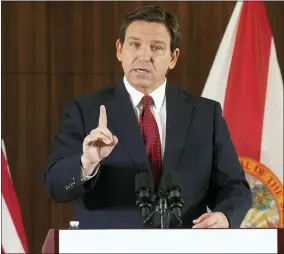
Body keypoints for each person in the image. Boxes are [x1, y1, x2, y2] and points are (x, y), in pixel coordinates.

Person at [43, 5, 252, 229]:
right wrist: (87, 163)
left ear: (173, 57)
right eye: (134, 45)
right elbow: (55, 185)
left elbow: (234, 186)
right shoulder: (84, 110)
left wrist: (225, 216)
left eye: (157, 47)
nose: (144, 56)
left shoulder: (205, 114)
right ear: (119, 50)